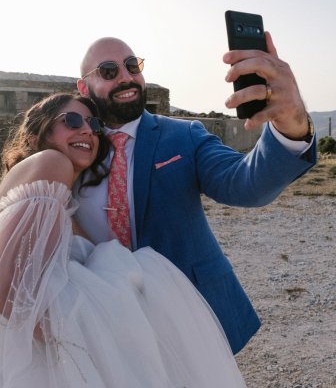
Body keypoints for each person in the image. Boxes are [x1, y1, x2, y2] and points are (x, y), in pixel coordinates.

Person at [0, 92, 262, 388]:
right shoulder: (52, 165)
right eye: (72, 121)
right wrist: (95, 347)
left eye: (93, 124)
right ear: (38, 135)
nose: (88, 131)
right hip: (28, 365)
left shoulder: (47, 183)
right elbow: (7, 295)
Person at [75, 34, 317, 354]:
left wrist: (291, 126)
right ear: (83, 88)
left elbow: (244, 183)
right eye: (108, 71)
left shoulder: (184, 135)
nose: (126, 77)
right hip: (102, 321)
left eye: (132, 65)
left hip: (187, 317)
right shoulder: (73, 149)